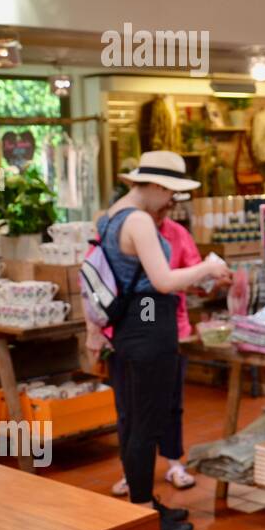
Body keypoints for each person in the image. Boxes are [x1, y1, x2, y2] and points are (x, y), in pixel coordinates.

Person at [95, 151, 230, 530]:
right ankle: (141, 511)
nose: (171, 201)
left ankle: (145, 503)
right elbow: (162, 281)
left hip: (130, 325)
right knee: (146, 422)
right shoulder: (137, 220)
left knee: (137, 418)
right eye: (169, 192)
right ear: (153, 186)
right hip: (149, 323)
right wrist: (207, 267)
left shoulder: (109, 216)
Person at [110, 196, 201, 496]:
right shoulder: (127, 226)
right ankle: (136, 478)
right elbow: (158, 283)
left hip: (167, 327)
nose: (166, 209)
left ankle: (173, 463)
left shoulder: (176, 233)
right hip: (141, 329)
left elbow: (192, 272)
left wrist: (203, 277)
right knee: (131, 412)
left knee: (169, 403)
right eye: (163, 201)